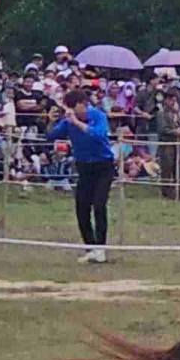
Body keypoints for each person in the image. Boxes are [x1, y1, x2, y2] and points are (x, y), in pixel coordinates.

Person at [49, 84, 115, 262]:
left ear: (82, 104)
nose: (71, 111)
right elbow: (51, 135)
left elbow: (98, 134)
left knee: (99, 205)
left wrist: (77, 123)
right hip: (84, 167)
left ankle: (101, 248)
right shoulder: (68, 120)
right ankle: (90, 247)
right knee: (81, 207)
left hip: (104, 166)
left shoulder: (98, 115)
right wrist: (52, 120)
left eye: (73, 107)